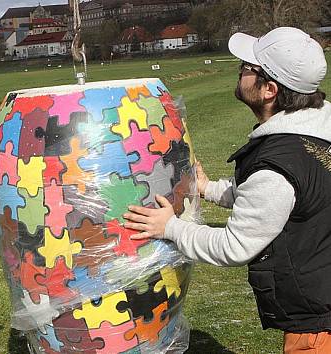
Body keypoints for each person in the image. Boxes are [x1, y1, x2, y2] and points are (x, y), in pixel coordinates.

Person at [123, 27, 329, 353]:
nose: (241, 69)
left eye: (249, 68)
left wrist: (171, 228)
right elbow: (276, 198)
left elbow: (234, 246)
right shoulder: (315, 129)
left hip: (318, 326)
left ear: (269, 90)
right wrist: (207, 188)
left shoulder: (277, 166)